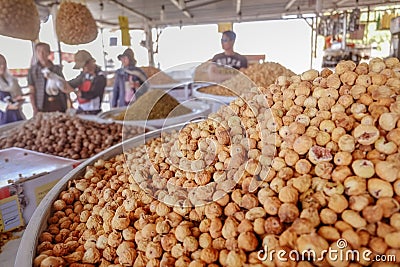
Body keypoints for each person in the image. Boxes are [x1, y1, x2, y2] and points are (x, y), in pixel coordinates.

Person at [28, 42, 70, 115]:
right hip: (42, 104)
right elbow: (32, 91)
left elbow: (64, 85)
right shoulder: (33, 71)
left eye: (44, 51)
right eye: (38, 51)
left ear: (49, 53)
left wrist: (69, 102)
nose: (41, 54)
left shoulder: (57, 69)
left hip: (59, 102)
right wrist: (34, 108)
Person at [68, 50, 106, 115]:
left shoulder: (100, 77)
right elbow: (73, 83)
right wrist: (61, 83)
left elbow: (94, 93)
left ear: (91, 62)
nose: (83, 69)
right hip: (81, 109)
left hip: (94, 111)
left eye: (84, 66)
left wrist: (80, 94)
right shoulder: (83, 75)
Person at [0, 54, 25, 125]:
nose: (2, 66)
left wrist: (18, 100)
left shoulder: (12, 80)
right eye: (0, 64)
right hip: (3, 117)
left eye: (4, 63)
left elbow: (18, 95)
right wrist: (8, 107)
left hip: (17, 114)